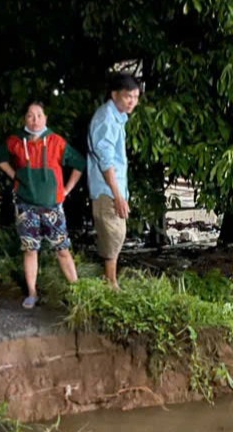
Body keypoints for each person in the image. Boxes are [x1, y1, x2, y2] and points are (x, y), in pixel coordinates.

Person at [0, 100, 86, 309]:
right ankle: (32, 293)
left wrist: (66, 190)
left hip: (53, 206)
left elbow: (79, 163)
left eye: (39, 115)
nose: (35, 119)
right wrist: (15, 177)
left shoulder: (56, 141)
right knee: (30, 250)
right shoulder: (16, 141)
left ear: (45, 118)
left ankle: (78, 291)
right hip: (25, 205)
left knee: (62, 249)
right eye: (30, 115)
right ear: (24, 119)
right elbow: (0, 158)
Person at [87, 73, 140, 290]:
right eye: (128, 96)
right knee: (113, 232)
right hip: (107, 188)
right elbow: (106, 160)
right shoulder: (106, 119)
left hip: (114, 186)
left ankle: (110, 278)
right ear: (114, 94)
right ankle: (110, 281)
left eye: (136, 97)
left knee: (117, 232)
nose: (132, 102)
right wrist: (117, 195)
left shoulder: (116, 117)